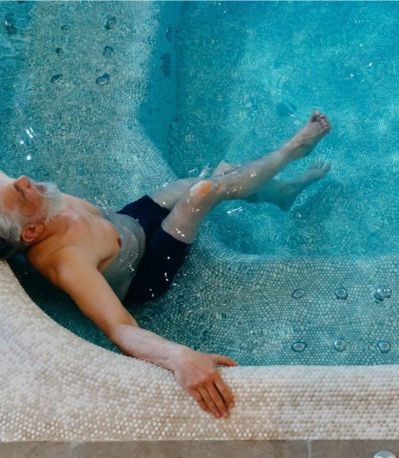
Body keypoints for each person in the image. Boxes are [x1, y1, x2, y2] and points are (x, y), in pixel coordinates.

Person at [0, 112, 332, 418]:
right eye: (21, 191)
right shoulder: (68, 262)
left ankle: (283, 193)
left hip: (128, 223)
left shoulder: (35, 207)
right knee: (203, 192)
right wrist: (178, 357)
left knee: (224, 173)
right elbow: (121, 328)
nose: (24, 179)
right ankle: (293, 150)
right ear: (32, 232)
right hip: (146, 267)